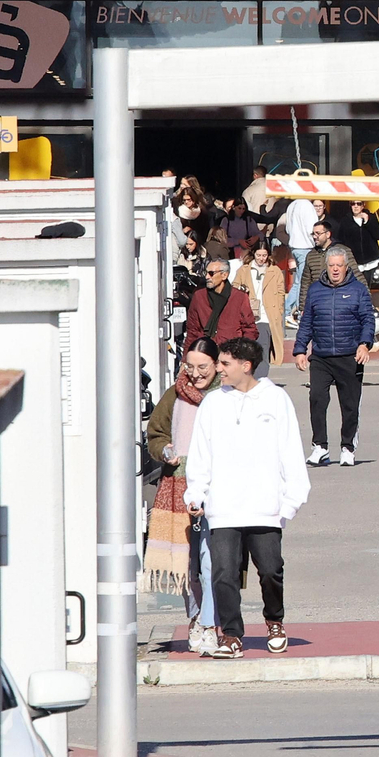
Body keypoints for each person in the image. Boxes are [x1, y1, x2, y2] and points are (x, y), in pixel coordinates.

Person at [186, 337, 310, 659]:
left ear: (246, 366)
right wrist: (196, 492)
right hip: (223, 508)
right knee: (223, 573)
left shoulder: (276, 399)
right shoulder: (213, 403)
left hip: (265, 507)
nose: (219, 370)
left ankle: (274, 621)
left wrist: (290, 500)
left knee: (270, 570)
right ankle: (231, 635)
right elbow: (201, 453)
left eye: (225, 364)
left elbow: (291, 451)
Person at [142, 338, 221, 656]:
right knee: (186, 562)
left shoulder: (226, 395)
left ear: (216, 365)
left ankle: (210, 622)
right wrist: (166, 451)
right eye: (190, 366)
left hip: (216, 487)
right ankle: (195, 618)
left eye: (203, 367)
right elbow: (155, 433)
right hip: (177, 485)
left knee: (211, 559)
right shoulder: (174, 394)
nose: (196, 373)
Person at [293, 246, 376, 468]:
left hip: (349, 356)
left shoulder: (358, 290)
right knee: (317, 400)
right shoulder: (315, 290)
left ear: (346, 267)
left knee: (349, 405)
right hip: (321, 356)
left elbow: (368, 320)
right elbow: (307, 322)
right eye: (332, 266)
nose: (336, 269)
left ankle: (348, 446)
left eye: (339, 265)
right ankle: (320, 446)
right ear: (326, 267)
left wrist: (364, 345)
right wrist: (300, 349)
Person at [232, 243, 286, 378]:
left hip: (266, 316)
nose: (261, 259)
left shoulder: (275, 271)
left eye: (264, 255)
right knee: (247, 350)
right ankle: (248, 378)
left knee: (263, 348)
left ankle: (260, 380)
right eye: (258, 255)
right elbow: (234, 288)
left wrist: (278, 310)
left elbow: (281, 293)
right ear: (253, 254)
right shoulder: (244, 270)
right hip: (247, 316)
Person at [184, 259, 259, 348]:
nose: (207, 277)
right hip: (206, 351)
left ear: (224, 275)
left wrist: (243, 353)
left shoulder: (239, 297)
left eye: (211, 273)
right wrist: (186, 358)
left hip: (231, 352)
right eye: (206, 273)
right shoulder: (199, 296)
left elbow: (250, 329)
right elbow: (192, 330)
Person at [296, 220, 360, 316]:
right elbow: (305, 282)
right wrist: (303, 306)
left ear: (328, 234)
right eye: (313, 233)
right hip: (318, 302)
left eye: (318, 233)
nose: (314, 236)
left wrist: (367, 299)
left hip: (340, 300)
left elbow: (357, 274)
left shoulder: (343, 251)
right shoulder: (311, 255)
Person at [283, 190, 320, 320]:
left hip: (294, 245)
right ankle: (291, 310)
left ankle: (291, 310)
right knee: (302, 282)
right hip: (305, 246)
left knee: (299, 281)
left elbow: (287, 228)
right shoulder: (307, 206)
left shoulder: (292, 205)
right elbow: (312, 228)